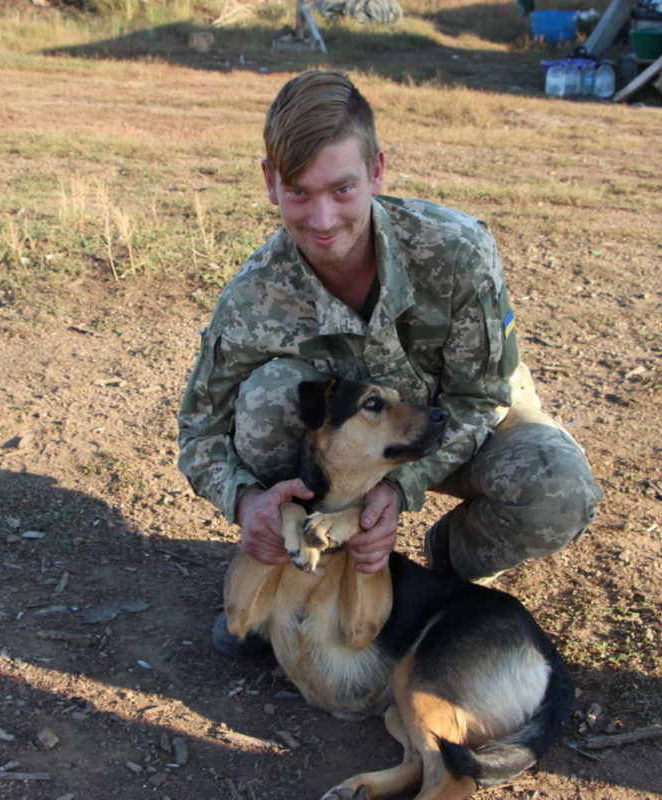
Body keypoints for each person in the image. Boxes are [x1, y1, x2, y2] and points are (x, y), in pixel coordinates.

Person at [177, 70, 602, 656]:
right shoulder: (254, 296)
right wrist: (247, 502)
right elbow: (200, 429)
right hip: (346, 455)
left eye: (343, 189)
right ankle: (296, 565)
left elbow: (480, 396)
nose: (322, 221)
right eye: (299, 192)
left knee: (556, 489)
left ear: (377, 171)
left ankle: (442, 569)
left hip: (457, 424)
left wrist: (399, 490)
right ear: (270, 184)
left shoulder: (454, 249)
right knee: (269, 398)